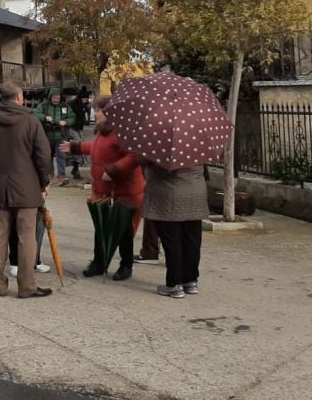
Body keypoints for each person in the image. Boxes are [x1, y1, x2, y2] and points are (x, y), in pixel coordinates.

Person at [0, 82, 53, 299]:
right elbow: (43, 156)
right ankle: (27, 286)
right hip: (27, 188)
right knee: (26, 236)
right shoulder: (30, 121)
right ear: (19, 98)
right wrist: (43, 181)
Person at [61, 97, 144, 281]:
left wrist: (114, 170)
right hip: (104, 190)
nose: (95, 113)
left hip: (123, 191)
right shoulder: (103, 131)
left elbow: (134, 155)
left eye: (99, 110)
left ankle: (125, 265)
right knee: (101, 226)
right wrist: (75, 147)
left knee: (123, 230)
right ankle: (99, 262)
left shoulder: (123, 131)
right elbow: (98, 148)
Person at [142, 160, 209, 299]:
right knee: (192, 240)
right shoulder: (197, 144)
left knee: (172, 241)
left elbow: (153, 166)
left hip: (170, 197)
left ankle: (174, 284)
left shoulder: (162, 145)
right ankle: (191, 281)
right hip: (195, 196)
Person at [33, 87, 76, 186]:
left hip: (61, 135)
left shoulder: (65, 107)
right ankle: (50, 176)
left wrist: (66, 122)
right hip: (47, 135)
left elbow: (72, 117)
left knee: (61, 156)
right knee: (48, 156)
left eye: (58, 98)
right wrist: (45, 117)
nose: (56, 100)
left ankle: (61, 176)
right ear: (50, 97)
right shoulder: (44, 106)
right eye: (54, 98)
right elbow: (35, 113)